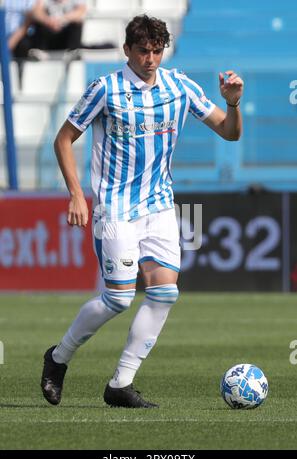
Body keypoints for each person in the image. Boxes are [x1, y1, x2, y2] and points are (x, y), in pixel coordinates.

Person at [40, 14, 244, 408]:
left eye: (157, 50)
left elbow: (230, 131)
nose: (150, 59)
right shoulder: (106, 89)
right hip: (115, 208)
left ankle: (121, 383)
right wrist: (76, 194)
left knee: (165, 293)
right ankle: (58, 357)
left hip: (160, 206)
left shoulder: (179, 85)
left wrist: (233, 103)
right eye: (143, 51)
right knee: (118, 299)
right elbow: (64, 139)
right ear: (127, 51)